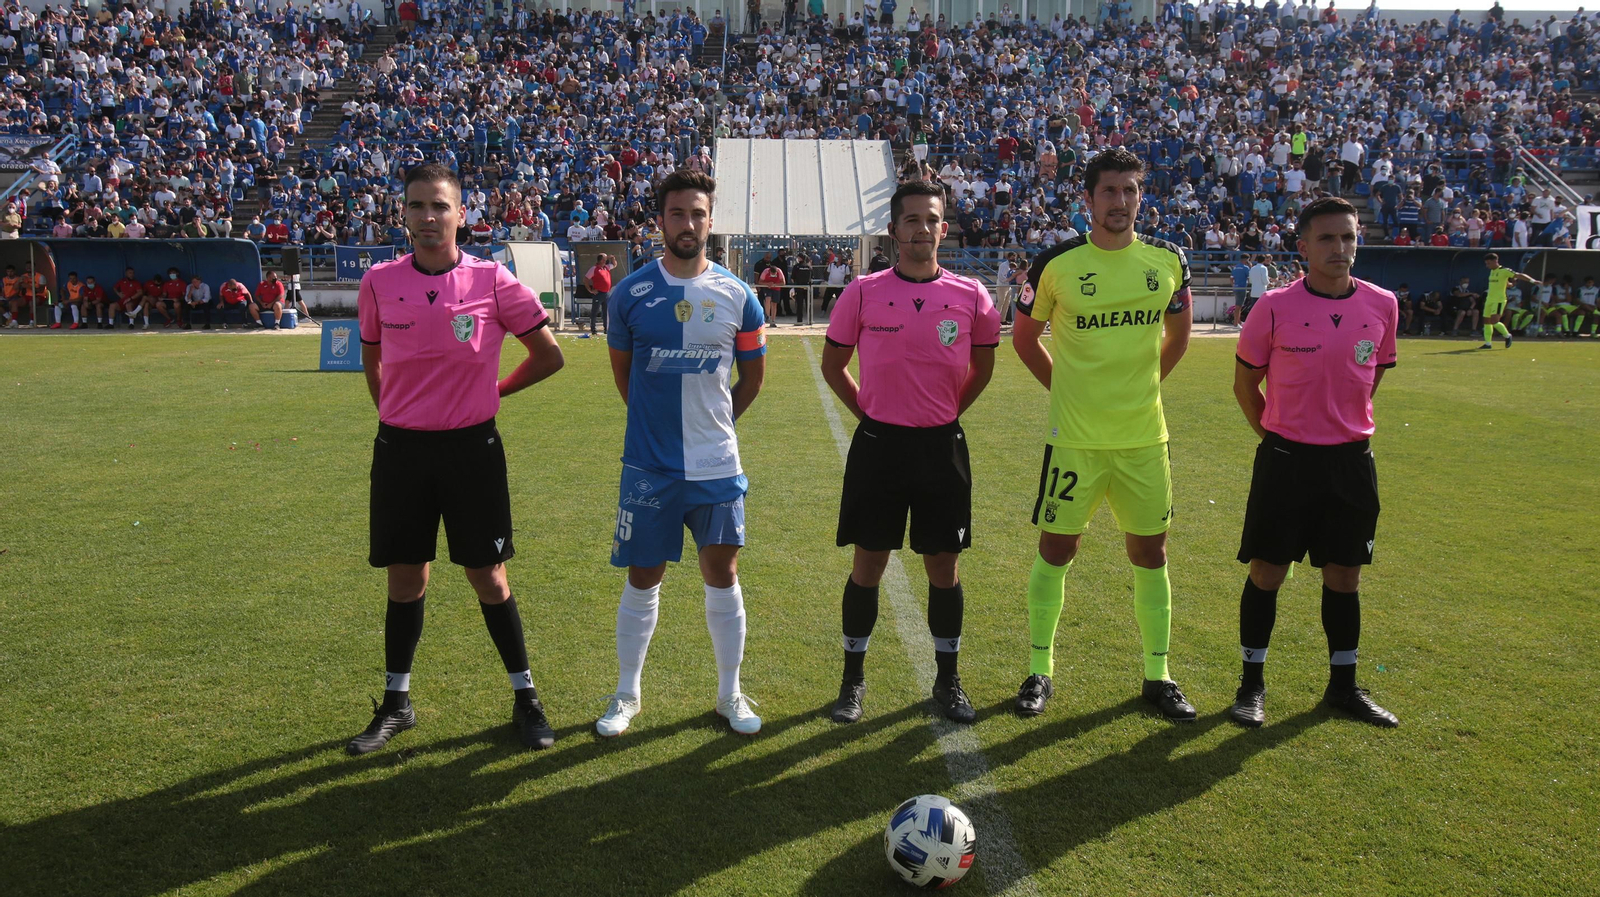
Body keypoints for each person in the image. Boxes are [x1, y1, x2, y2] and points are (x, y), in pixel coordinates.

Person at [348, 163, 566, 755]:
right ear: (404, 214)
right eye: (416, 206)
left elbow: (549, 356)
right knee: (404, 575)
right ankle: (397, 703)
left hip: (472, 450)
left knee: (488, 576)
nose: (427, 217)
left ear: (460, 214)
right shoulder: (377, 282)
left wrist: (493, 392)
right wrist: (391, 410)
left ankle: (527, 699)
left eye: (439, 206)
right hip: (401, 451)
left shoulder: (494, 280)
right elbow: (372, 360)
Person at [1011, 147, 1196, 722]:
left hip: (1144, 439)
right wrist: (1068, 392)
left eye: (1130, 191)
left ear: (1141, 197)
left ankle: (1158, 675)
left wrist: (1141, 387)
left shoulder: (1168, 262)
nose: (1120, 202)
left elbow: (1179, 336)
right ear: (1088, 200)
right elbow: (1023, 339)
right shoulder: (1056, 264)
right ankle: (1039, 669)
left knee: (1150, 551)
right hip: (1075, 442)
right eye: (1109, 191)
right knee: (1057, 548)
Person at [819, 180, 1001, 725]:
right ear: (894, 229)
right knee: (869, 562)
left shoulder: (973, 295)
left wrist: (943, 414)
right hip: (879, 446)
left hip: (941, 447)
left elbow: (983, 369)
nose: (923, 229)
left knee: (943, 565)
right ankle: (852, 682)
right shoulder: (863, 292)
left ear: (944, 228)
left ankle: (949, 682)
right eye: (912, 220)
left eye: (932, 219)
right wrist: (871, 416)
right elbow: (834, 367)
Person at [597, 170, 767, 738]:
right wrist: (661, 427)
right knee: (643, 576)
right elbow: (626, 381)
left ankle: (729, 693)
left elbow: (752, 379)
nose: (688, 224)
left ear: (710, 220)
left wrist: (712, 427)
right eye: (677, 214)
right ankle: (626, 694)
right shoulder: (629, 295)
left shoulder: (738, 297)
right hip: (651, 466)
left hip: (717, 465)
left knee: (723, 574)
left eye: (697, 213)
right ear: (661, 221)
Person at [1230, 196, 1400, 729]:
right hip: (1285, 461)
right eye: (1327, 239)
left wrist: (1339, 427)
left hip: (1351, 463)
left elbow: (1374, 375)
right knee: (1267, 572)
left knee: (1345, 576)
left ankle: (1343, 687)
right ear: (1303, 248)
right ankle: (1251, 686)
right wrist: (1279, 435)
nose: (1340, 248)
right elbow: (1244, 384)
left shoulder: (1382, 304)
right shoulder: (1274, 306)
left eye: (1348, 237)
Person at [1479, 253, 1535, 349]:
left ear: (1495, 261)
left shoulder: (1504, 270)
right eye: (1486, 263)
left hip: (1499, 300)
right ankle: (1488, 343)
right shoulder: (1492, 271)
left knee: (1494, 321)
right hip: (1490, 299)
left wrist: (1532, 281)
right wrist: (1508, 284)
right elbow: (1501, 282)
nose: (1487, 266)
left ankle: (1507, 335)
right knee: (1486, 321)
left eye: (1488, 263)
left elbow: (1519, 275)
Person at [757, 257, 786, 325]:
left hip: (776, 288)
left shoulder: (779, 271)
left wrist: (775, 284)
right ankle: (767, 316)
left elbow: (783, 283)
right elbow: (760, 282)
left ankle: (773, 319)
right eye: (772, 273)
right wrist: (767, 284)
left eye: (774, 274)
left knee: (774, 304)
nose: (773, 275)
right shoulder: (765, 271)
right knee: (767, 299)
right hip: (768, 288)